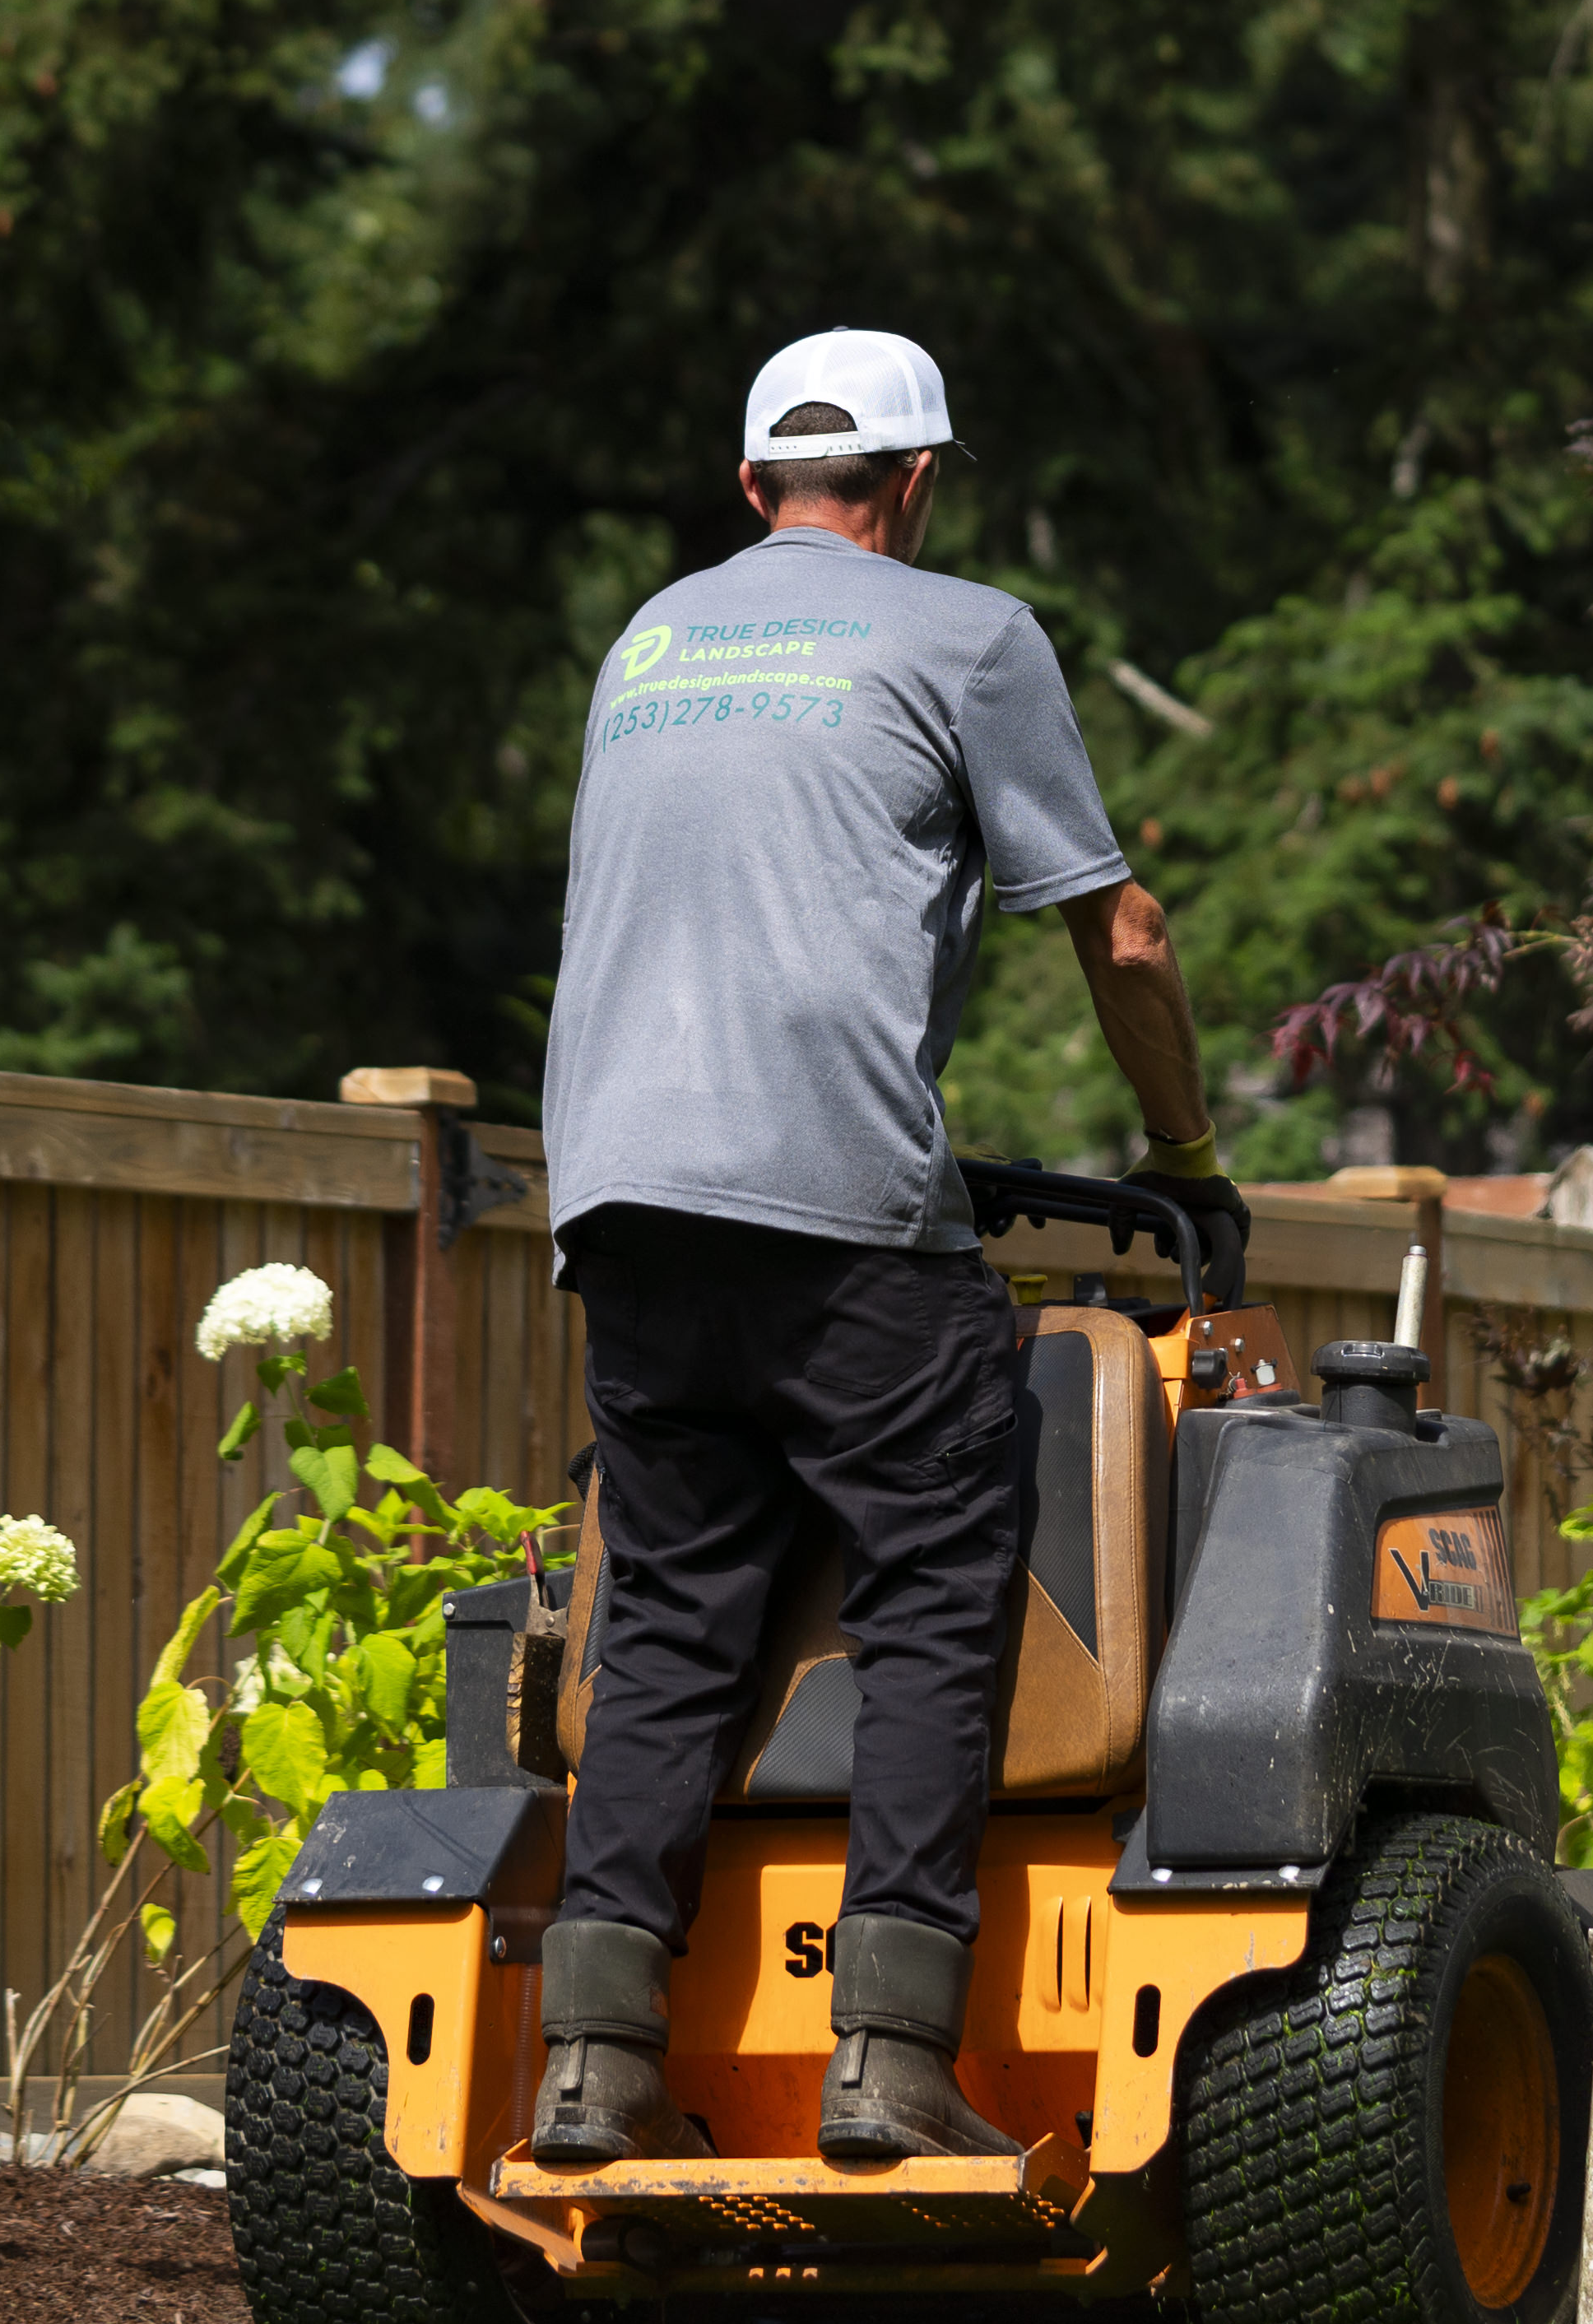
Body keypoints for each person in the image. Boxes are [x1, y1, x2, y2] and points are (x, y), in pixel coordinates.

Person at [522, 326, 1240, 2168]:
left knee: (669, 1611)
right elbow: (1125, 933)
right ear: (915, 484)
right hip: (837, 1207)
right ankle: (892, 2056)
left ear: (751, 485)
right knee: (935, 1582)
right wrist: (1184, 1155)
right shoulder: (968, 636)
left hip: (617, 1203)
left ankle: (592, 2060)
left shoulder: (648, 642)